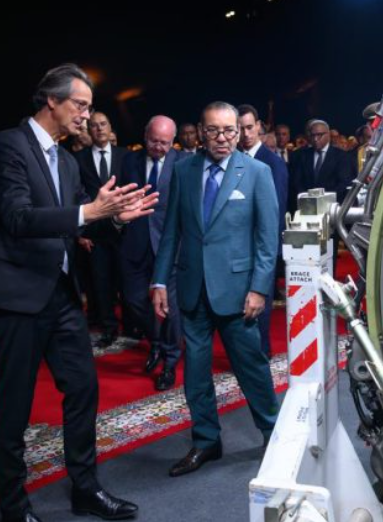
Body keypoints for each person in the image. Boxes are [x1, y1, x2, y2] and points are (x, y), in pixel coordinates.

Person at [0, 63, 154, 522]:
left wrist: (114, 219)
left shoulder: (68, 161)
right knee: (14, 405)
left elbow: (82, 224)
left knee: (83, 388)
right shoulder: (7, 146)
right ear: (51, 100)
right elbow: (17, 218)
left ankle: (85, 489)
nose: (86, 115)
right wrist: (89, 211)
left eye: (90, 107)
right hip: (15, 298)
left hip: (62, 296)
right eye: (80, 105)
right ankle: (14, 506)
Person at [152, 101, 278, 476]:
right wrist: (160, 280)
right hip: (193, 289)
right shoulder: (184, 170)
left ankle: (274, 435)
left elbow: (267, 239)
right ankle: (206, 441)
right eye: (213, 130)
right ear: (201, 132)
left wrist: (259, 289)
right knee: (195, 372)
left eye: (229, 130)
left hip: (239, 293)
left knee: (252, 368)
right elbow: (172, 232)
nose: (221, 138)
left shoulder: (257, 172)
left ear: (238, 133)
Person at [118, 116, 184, 391]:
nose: (158, 147)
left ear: (173, 141)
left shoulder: (184, 162)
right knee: (133, 300)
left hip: (169, 245)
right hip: (135, 241)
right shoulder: (129, 161)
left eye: (164, 143)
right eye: (154, 141)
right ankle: (154, 341)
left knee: (169, 308)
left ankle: (170, 360)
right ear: (145, 136)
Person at [237, 104, 288, 356]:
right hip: (236, 248)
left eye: (250, 127)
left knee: (260, 307)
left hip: (261, 248)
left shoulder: (273, 163)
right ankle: (247, 355)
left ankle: (261, 357)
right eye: (240, 129)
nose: (246, 134)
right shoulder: (233, 159)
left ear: (259, 126)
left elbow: (275, 214)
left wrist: (269, 252)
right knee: (240, 307)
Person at [75, 111, 129, 346]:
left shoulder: (126, 156)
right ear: (89, 130)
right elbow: (76, 195)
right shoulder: (79, 159)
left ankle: (131, 324)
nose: (99, 129)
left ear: (110, 127)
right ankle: (108, 328)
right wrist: (80, 233)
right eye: (94, 126)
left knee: (126, 281)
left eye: (103, 124)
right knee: (101, 282)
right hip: (95, 233)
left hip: (124, 230)